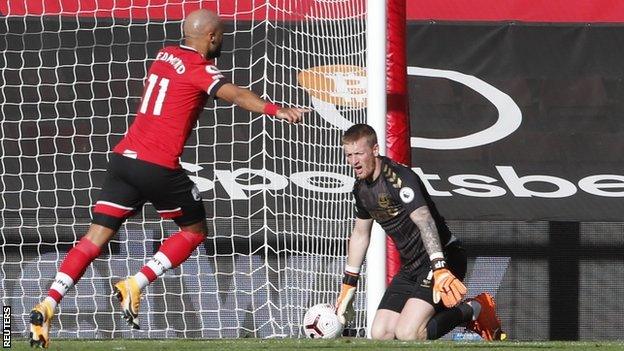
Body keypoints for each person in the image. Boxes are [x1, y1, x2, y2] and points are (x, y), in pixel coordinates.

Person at [28, 8, 308, 348]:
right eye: (220, 35)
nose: (222, 40)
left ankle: (48, 303)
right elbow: (233, 94)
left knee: (92, 241)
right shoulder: (200, 68)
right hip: (157, 166)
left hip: (123, 160)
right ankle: (136, 283)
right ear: (212, 37)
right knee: (194, 232)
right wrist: (275, 110)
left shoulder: (165, 54)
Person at [334, 124, 503, 341]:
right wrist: (349, 283)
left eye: (359, 153)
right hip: (411, 266)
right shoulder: (361, 189)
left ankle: (475, 309)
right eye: (349, 155)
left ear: (375, 150)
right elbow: (360, 234)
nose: (354, 161)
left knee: (409, 333)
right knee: (381, 334)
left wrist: (440, 267)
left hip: (443, 258)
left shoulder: (399, 178)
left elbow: (425, 221)